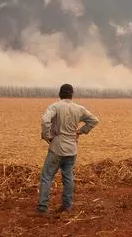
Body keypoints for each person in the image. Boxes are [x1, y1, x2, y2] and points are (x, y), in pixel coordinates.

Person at [35, 83, 99, 215]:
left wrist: (46, 136)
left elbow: (45, 120)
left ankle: (42, 208)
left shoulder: (55, 106)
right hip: (72, 148)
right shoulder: (79, 108)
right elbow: (94, 120)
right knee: (68, 177)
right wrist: (80, 131)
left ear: (60, 93)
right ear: (72, 94)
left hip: (57, 147)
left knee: (47, 177)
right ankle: (67, 206)